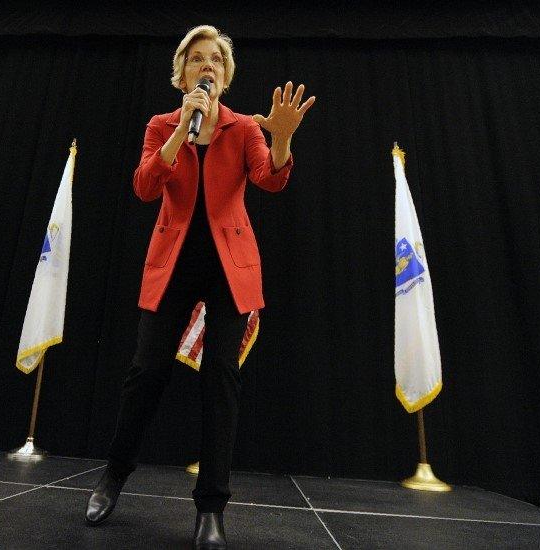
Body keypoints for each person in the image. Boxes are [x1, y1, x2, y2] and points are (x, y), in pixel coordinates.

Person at [85, 25, 315, 549]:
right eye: (196, 60)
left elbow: (270, 178)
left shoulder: (243, 128)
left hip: (230, 266)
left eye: (215, 60)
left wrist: (280, 137)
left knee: (220, 380)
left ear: (226, 75)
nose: (206, 66)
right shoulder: (161, 124)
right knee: (146, 374)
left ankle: (211, 506)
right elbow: (145, 187)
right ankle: (114, 475)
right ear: (182, 73)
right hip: (173, 262)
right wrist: (180, 133)